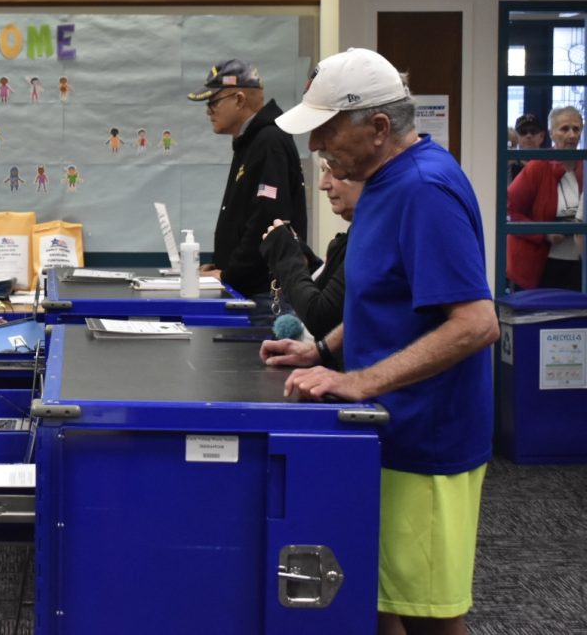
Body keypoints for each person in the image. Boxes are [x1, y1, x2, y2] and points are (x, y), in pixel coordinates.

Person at [264, 48, 498, 635]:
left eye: (328, 131)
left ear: (377, 126)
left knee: (429, 619)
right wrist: (325, 350)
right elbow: (387, 297)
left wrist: (359, 380)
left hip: (427, 442)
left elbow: (476, 323)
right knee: (376, 602)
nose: (318, 147)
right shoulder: (379, 182)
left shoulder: (425, 189)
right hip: (384, 429)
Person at [187, 59, 308, 324]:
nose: (208, 111)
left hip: (263, 295)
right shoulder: (250, 141)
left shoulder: (269, 141)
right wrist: (220, 266)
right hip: (248, 289)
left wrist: (229, 274)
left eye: (213, 102)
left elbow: (268, 219)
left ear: (240, 99)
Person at [259, 158, 363, 345]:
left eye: (332, 170)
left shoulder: (370, 237)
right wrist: (306, 260)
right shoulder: (356, 235)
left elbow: (321, 319)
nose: (322, 184)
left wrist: (287, 257)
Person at [506, 105, 584, 290]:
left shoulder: (584, 166)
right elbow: (509, 212)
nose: (572, 135)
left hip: (577, 263)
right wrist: (544, 234)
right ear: (551, 133)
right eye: (564, 129)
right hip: (540, 265)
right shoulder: (538, 167)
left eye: (576, 129)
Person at [509, 112, 546, 182]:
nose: (528, 135)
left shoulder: (549, 165)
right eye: (523, 132)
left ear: (542, 136)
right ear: (516, 136)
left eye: (533, 131)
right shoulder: (509, 167)